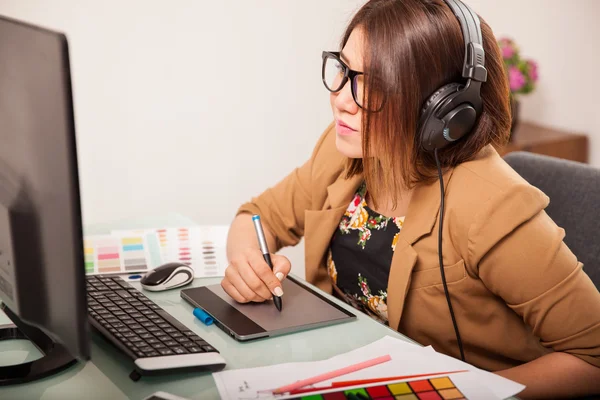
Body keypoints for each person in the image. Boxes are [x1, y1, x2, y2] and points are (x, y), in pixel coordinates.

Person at [221, 0, 600, 398]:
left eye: (375, 83)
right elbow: (257, 216)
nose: (341, 99)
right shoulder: (346, 151)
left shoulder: (494, 206)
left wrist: (460, 392)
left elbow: (592, 358)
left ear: (441, 109)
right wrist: (247, 264)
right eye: (344, 70)